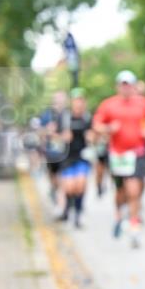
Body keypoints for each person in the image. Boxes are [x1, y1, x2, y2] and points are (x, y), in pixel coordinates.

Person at [92, 70, 145, 248]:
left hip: (137, 153)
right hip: (117, 154)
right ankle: (119, 215)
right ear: (118, 86)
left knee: (134, 190)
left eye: (129, 85)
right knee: (120, 191)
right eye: (123, 85)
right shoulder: (108, 105)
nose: (126, 88)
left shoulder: (144, 103)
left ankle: (134, 226)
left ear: (134, 86)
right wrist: (108, 129)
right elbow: (96, 125)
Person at [55, 88, 93, 228]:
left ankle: (78, 214)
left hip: (82, 156)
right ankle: (67, 209)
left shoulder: (87, 117)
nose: (78, 103)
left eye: (81, 100)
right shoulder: (64, 118)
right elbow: (55, 134)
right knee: (70, 188)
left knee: (81, 185)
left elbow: (93, 134)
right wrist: (62, 137)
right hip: (67, 156)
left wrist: (91, 137)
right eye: (76, 100)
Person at [39, 91, 69, 206]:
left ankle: (64, 200)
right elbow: (40, 132)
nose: (60, 102)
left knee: (63, 177)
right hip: (51, 151)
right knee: (53, 175)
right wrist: (47, 130)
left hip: (66, 151)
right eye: (57, 99)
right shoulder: (47, 115)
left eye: (62, 99)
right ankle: (53, 188)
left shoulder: (68, 114)